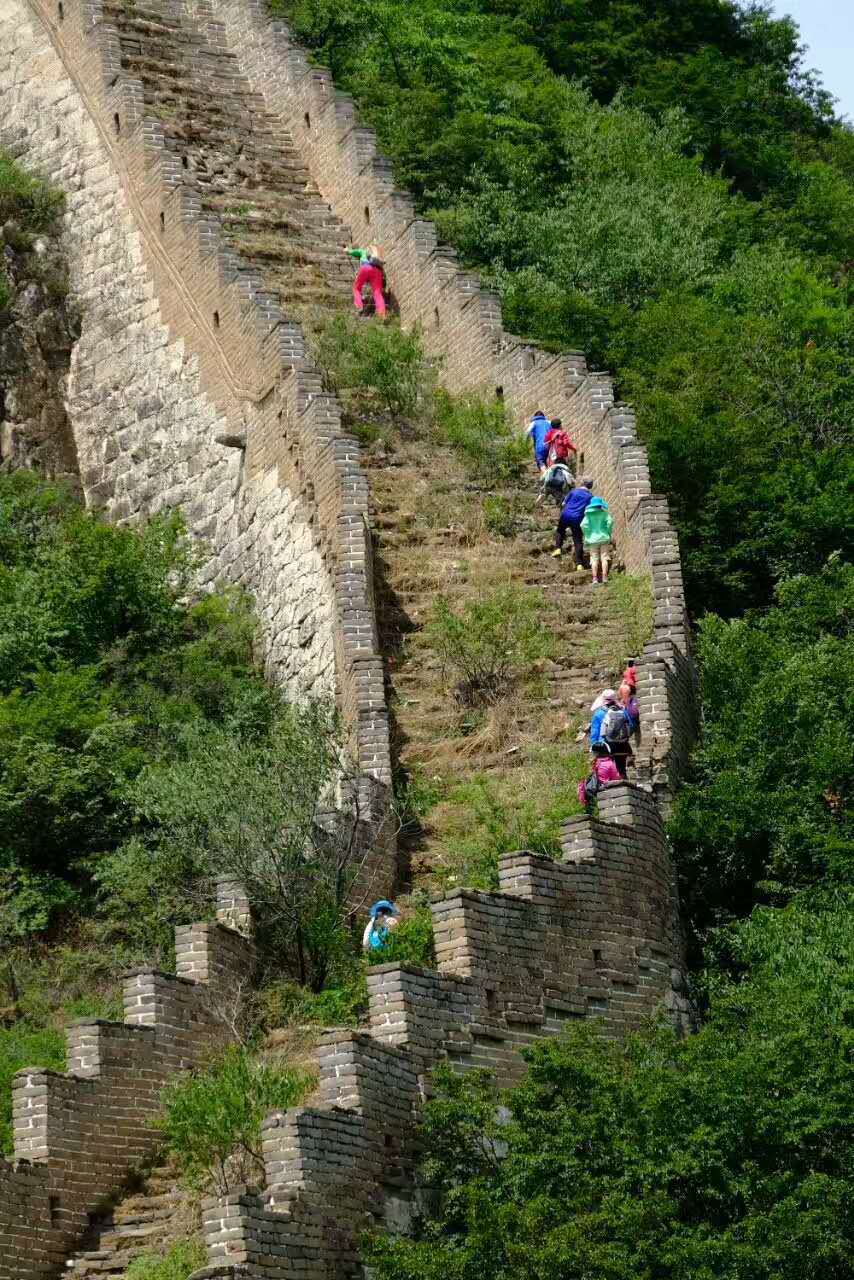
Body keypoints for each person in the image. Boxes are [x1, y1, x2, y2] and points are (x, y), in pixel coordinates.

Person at [589, 689, 633, 778]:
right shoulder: (622, 711)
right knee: (621, 769)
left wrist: (594, 746)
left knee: (606, 771)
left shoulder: (599, 713)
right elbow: (631, 726)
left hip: (605, 747)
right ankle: (625, 787)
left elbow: (595, 732)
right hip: (622, 746)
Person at [552, 477, 593, 566]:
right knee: (577, 540)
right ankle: (579, 564)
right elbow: (589, 510)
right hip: (577, 518)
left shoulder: (574, 491)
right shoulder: (590, 497)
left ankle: (558, 548)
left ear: (582, 483)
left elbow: (563, 503)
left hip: (566, 515)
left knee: (560, 530)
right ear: (590, 486)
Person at [346, 244, 386, 319]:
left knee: (356, 288)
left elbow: (350, 252)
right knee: (377, 293)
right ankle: (381, 314)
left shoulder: (361, 251)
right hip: (378, 271)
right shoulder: (374, 254)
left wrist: (346, 249)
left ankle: (359, 306)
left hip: (366, 268)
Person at [578, 741, 621, 810]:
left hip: (589, 796)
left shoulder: (588, 765)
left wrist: (582, 800)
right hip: (605, 796)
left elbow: (581, 784)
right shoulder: (610, 764)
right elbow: (616, 780)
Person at [580, 495, 613, 585]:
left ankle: (595, 579)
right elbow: (610, 522)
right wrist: (608, 532)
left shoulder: (588, 515)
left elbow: (583, 525)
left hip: (592, 540)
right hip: (604, 538)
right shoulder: (604, 513)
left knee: (594, 559)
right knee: (604, 558)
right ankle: (605, 577)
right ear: (600, 505)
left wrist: (588, 534)